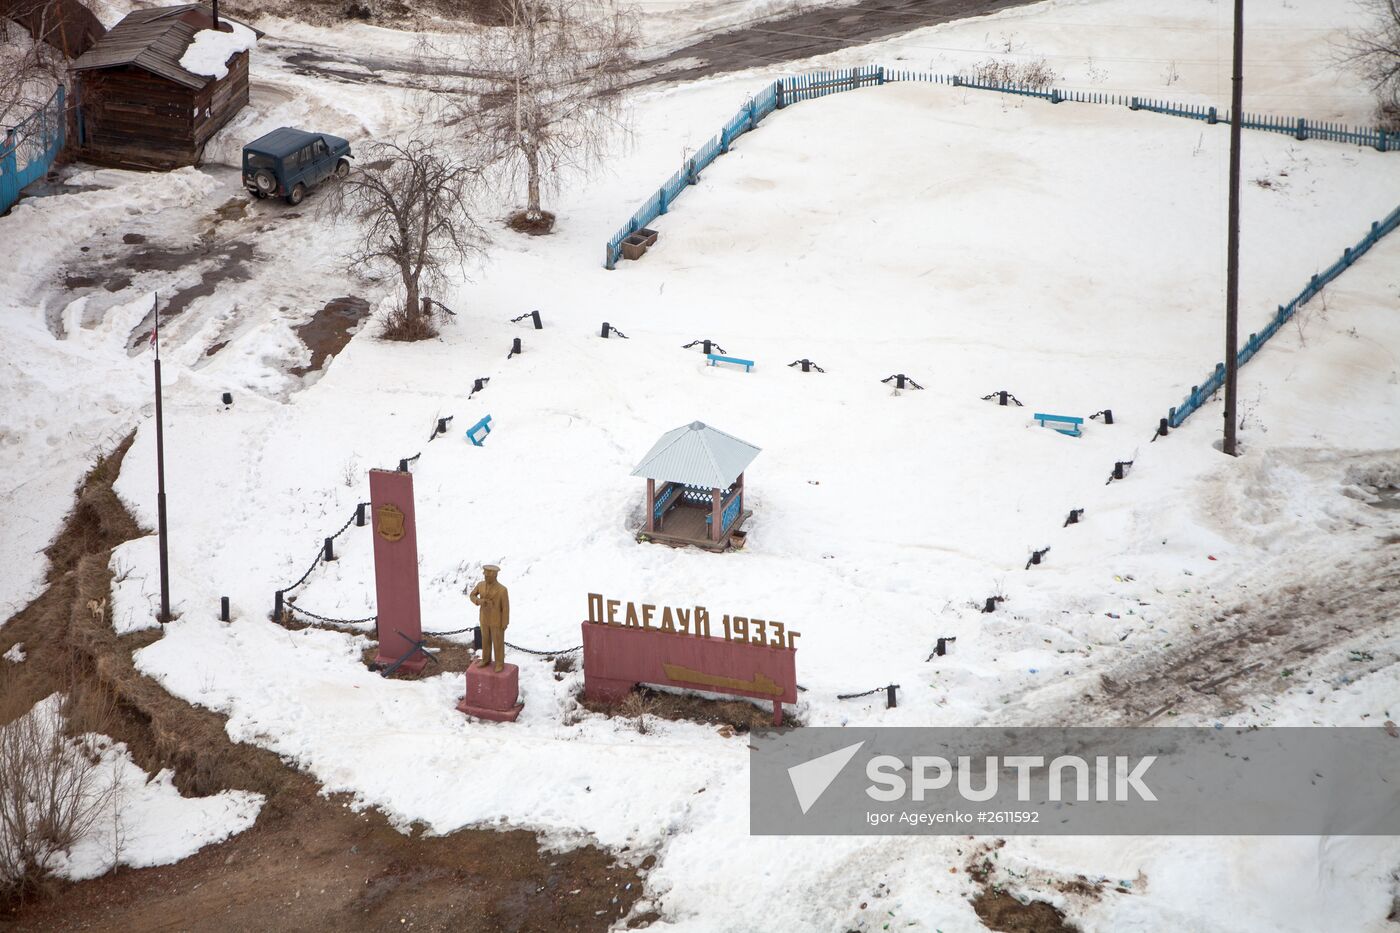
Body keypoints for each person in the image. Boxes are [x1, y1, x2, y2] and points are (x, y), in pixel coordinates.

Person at [469, 564, 510, 672]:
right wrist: (478, 601)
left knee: (498, 642)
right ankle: (486, 659)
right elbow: (472, 595)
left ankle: (499, 663)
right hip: (484, 618)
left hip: (497, 620)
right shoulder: (480, 585)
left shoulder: (502, 590)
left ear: (495, 576)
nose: (486, 578)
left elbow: (505, 608)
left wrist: (505, 622)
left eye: (488, 577)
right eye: (485, 576)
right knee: (485, 640)